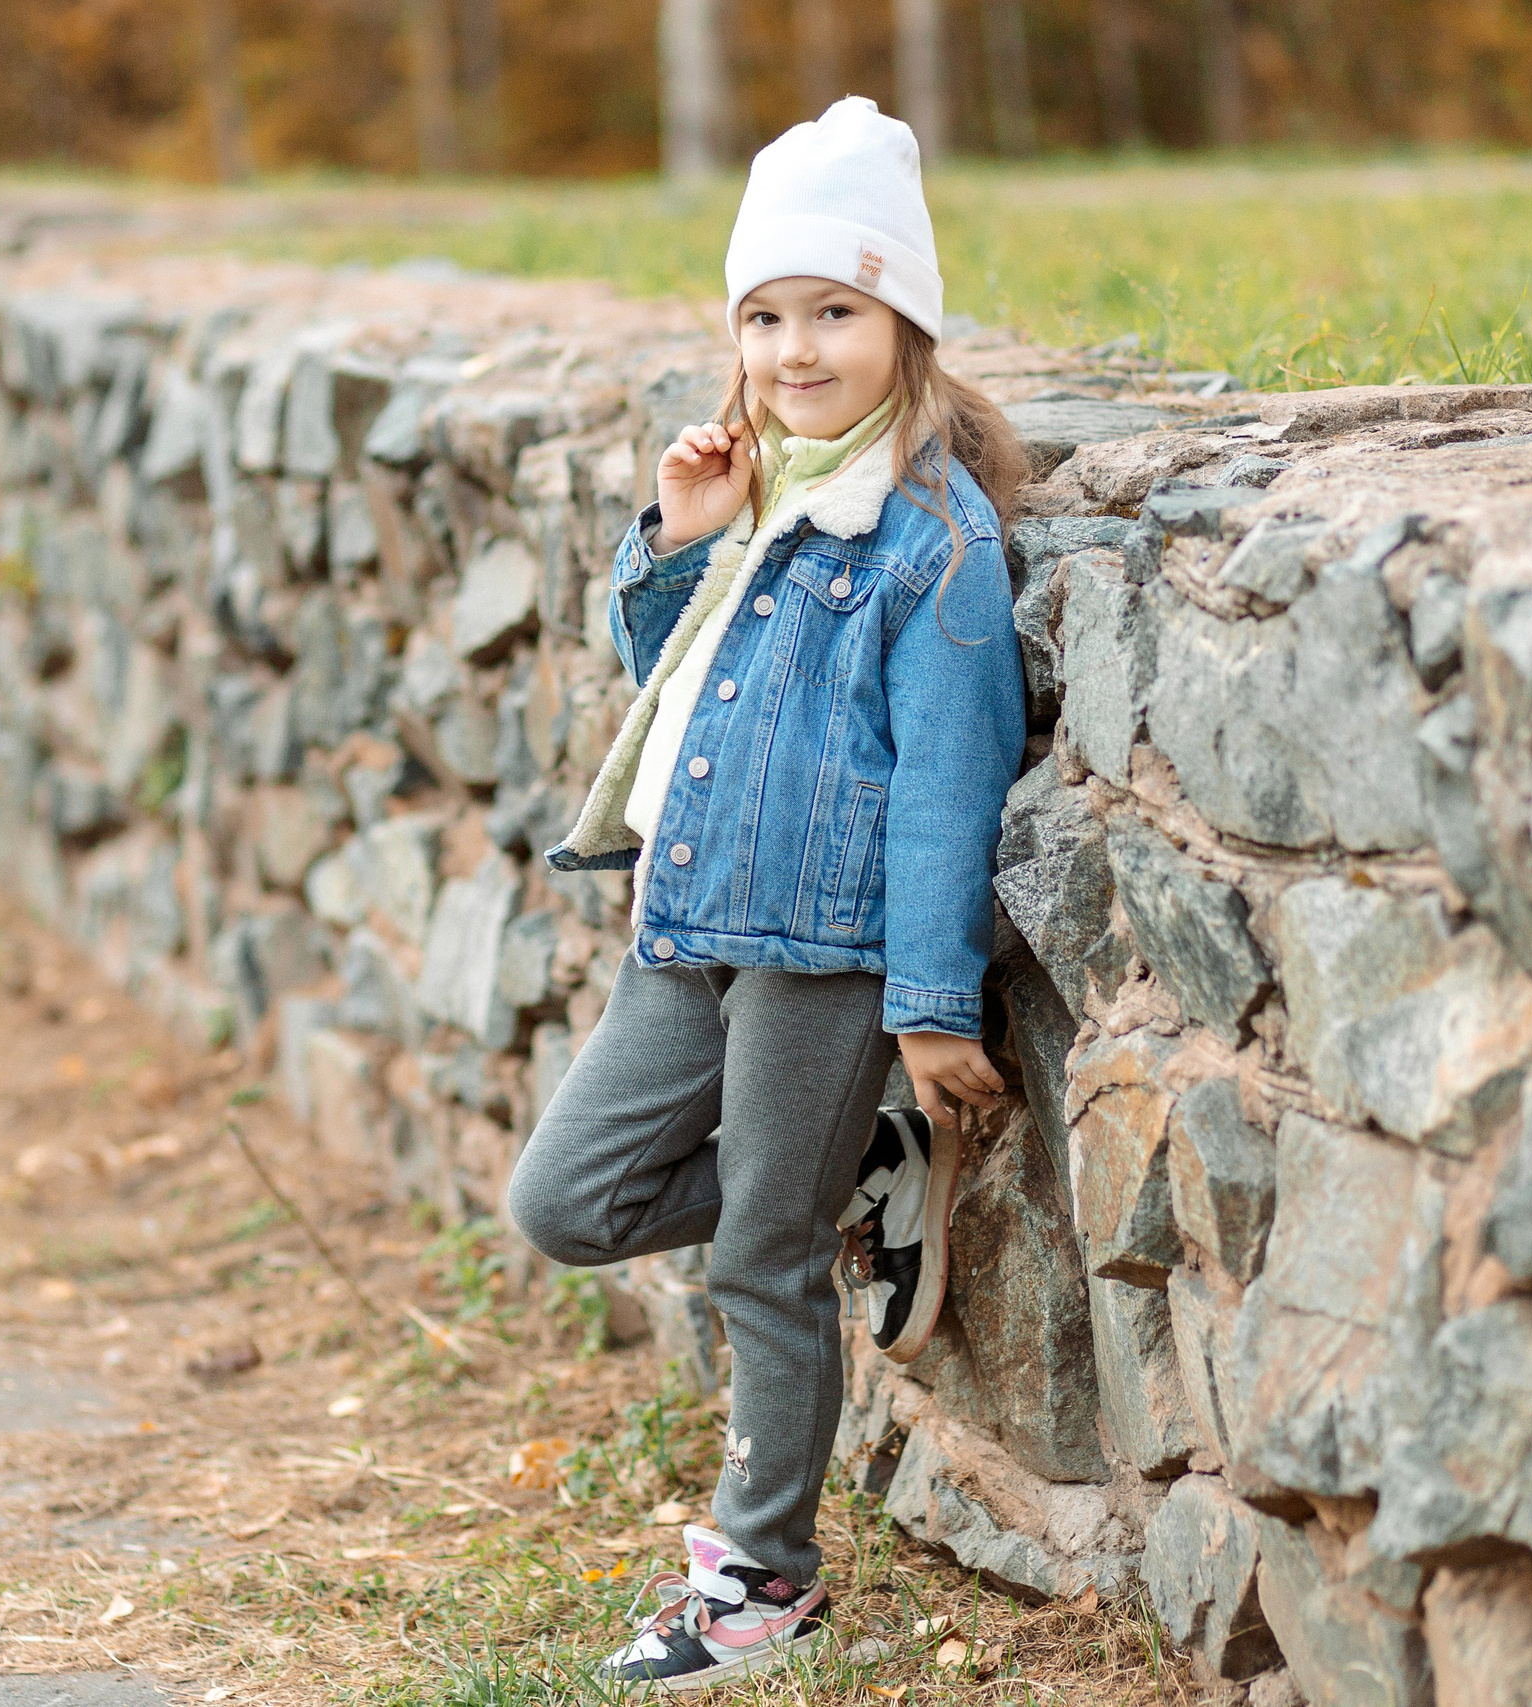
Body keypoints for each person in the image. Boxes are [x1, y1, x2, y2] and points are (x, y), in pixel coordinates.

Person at [509, 95, 1033, 1693]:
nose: (797, 349)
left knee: (758, 1263)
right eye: (765, 314)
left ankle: (763, 1580)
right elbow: (686, 694)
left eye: (835, 312)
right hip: (689, 918)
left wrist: (933, 1009)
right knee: (565, 1202)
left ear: (904, 325)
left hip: (822, 954)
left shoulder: (929, 539)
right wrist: (680, 545)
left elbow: (950, 790)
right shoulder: (761, 497)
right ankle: (844, 1176)